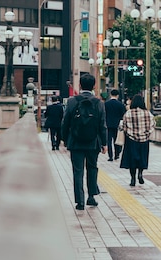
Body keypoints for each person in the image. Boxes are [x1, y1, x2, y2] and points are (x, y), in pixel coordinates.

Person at [61, 74, 107, 210]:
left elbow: (65, 122)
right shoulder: (99, 103)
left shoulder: (72, 101)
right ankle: (91, 197)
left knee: (78, 171)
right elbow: (102, 125)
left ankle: (79, 201)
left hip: (75, 141)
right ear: (94, 86)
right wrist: (104, 143)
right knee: (92, 168)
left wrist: (64, 139)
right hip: (93, 142)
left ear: (80, 85)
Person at [119, 95, 155, 187]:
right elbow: (152, 125)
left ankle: (133, 178)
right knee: (142, 157)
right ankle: (140, 173)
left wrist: (128, 132)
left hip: (131, 140)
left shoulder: (128, 113)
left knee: (132, 159)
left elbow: (123, 126)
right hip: (144, 140)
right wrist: (147, 134)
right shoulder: (148, 114)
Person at [105, 89, 127, 161]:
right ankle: (116, 155)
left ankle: (110, 156)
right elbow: (123, 115)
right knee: (116, 140)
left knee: (109, 141)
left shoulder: (106, 104)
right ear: (117, 95)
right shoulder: (120, 104)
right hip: (117, 125)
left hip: (108, 124)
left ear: (110, 95)